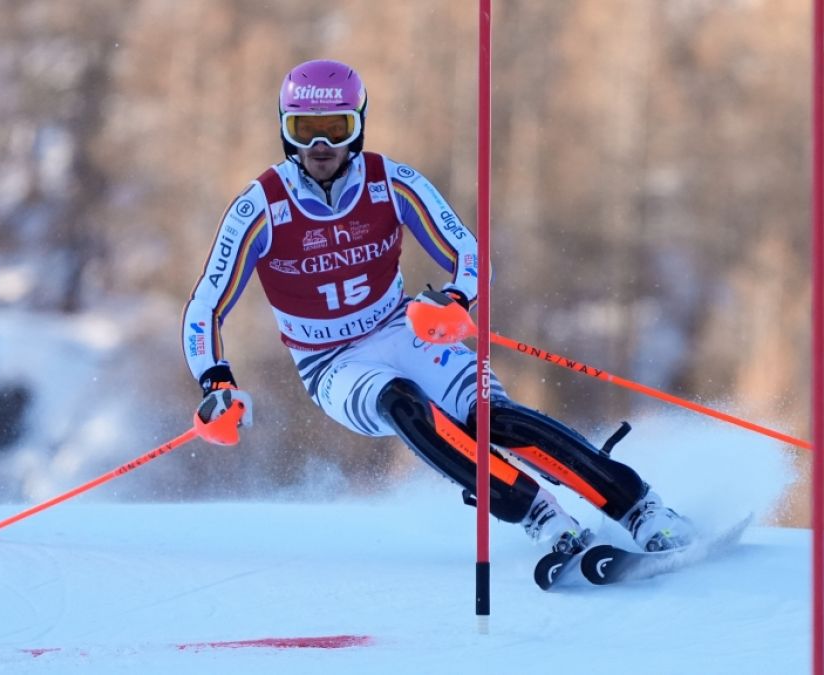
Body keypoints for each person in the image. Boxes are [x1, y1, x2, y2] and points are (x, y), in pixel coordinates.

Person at [182, 59, 694, 557]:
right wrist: (215, 382)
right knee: (401, 402)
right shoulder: (260, 206)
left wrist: (456, 299)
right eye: (304, 129)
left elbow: (469, 254)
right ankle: (540, 515)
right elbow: (207, 304)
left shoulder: (391, 182)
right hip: (332, 363)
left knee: (493, 419)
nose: (320, 146)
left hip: (403, 330)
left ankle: (640, 507)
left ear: (358, 126)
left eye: (336, 129)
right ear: (284, 130)